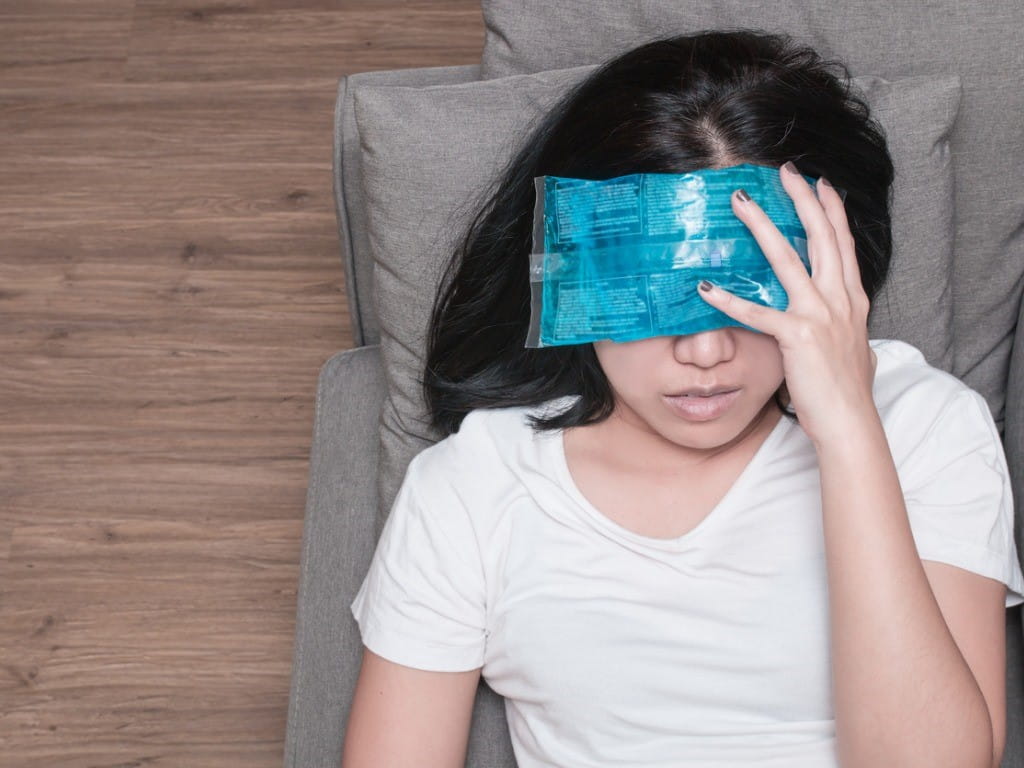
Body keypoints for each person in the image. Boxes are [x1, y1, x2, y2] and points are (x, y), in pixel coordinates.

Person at [342, 29, 1024, 768]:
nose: (705, 353)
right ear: (574, 277)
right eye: (654, 297)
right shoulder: (472, 487)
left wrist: (851, 434)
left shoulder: (924, 424)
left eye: (750, 295)